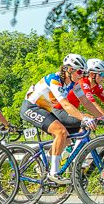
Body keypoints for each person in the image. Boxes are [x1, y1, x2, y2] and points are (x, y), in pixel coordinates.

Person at [20, 53, 99, 182]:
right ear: (70, 69)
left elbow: (86, 102)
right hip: (31, 107)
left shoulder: (74, 83)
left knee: (65, 139)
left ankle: (45, 163)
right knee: (61, 132)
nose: (81, 75)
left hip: (45, 109)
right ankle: (53, 174)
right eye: (79, 72)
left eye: (84, 73)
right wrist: (83, 118)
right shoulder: (55, 80)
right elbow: (65, 105)